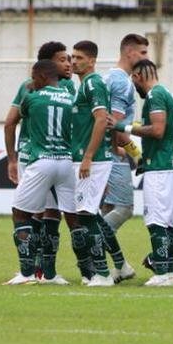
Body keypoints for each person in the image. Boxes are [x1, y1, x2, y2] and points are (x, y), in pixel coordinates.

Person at [7, 59, 76, 285]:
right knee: (66, 217)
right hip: (66, 162)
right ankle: (84, 273)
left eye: (34, 77)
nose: (32, 81)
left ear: (43, 76)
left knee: (21, 213)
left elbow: (15, 119)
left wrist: (31, 91)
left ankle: (27, 273)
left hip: (41, 160)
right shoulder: (71, 97)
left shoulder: (32, 96)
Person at [121, 58, 173, 286]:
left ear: (137, 76)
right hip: (171, 164)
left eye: (133, 80)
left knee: (156, 220)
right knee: (167, 222)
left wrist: (124, 127)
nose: (134, 86)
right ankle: (167, 272)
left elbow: (157, 130)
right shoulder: (167, 93)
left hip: (161, 165)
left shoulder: (155, 95)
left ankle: (163, 274)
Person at [99, 33, 149, 281]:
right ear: (129, 52)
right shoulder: (123, 83)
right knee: (123, 209)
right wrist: (137, 155)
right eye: (142, 53)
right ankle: (111, 261)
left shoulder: (105, 77)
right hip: (112, 156)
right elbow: (116, 128)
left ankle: (115, 268)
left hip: (100, 154)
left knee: (106, 210)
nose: (145, 58)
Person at [69, 40, 115, 287]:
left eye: (79, 57)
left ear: (92, 61)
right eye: (73, 57)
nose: (74, 61)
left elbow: (100, 120)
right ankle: (103, 271)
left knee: (86, 215)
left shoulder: (93, 83)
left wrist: (88, 157)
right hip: (87, 159)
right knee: (86, 214)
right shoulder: (84, 85)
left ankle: (103, 274)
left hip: (92, 159)